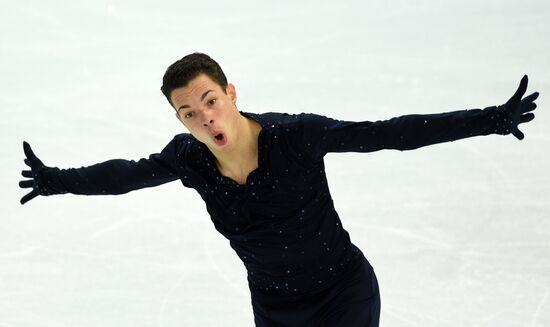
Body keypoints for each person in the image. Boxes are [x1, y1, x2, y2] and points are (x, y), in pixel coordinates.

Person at [19, 53, 539, 326]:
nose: (204, 117)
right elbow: (126, 175)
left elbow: (389, 134)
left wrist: (489, 119)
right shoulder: (190, 160)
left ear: (231, 93)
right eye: (188, 112)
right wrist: (56, 181)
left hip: (343, 294)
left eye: (210, 100)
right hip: (276, 308)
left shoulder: (296, 137)